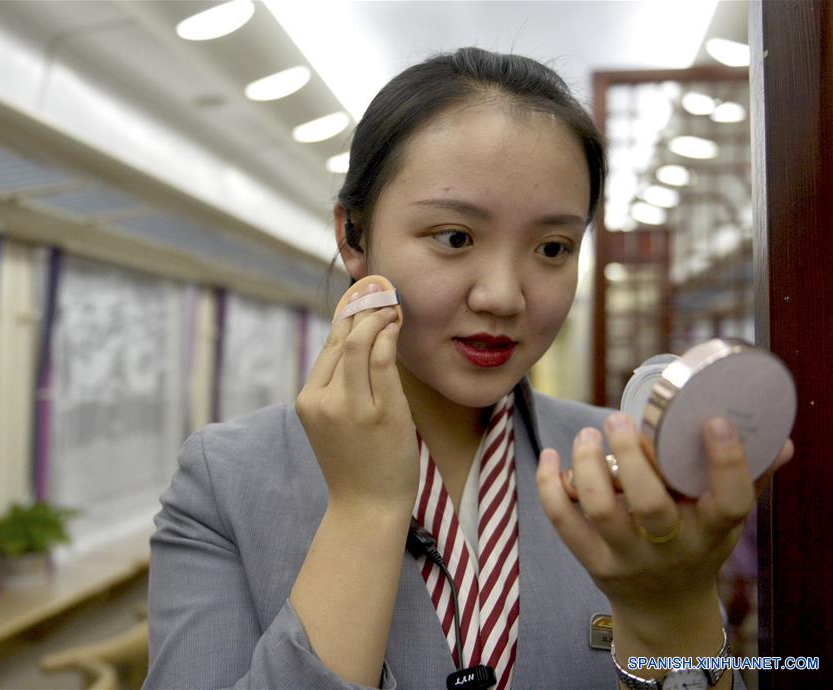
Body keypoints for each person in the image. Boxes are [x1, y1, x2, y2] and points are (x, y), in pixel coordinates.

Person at [144, 47, 793, 690]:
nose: (504, 295)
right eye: (454, 237)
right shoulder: (225, 481)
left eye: (552, 248)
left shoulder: (628, 472)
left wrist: (670, 614)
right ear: (353, 236)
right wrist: (365, 509)